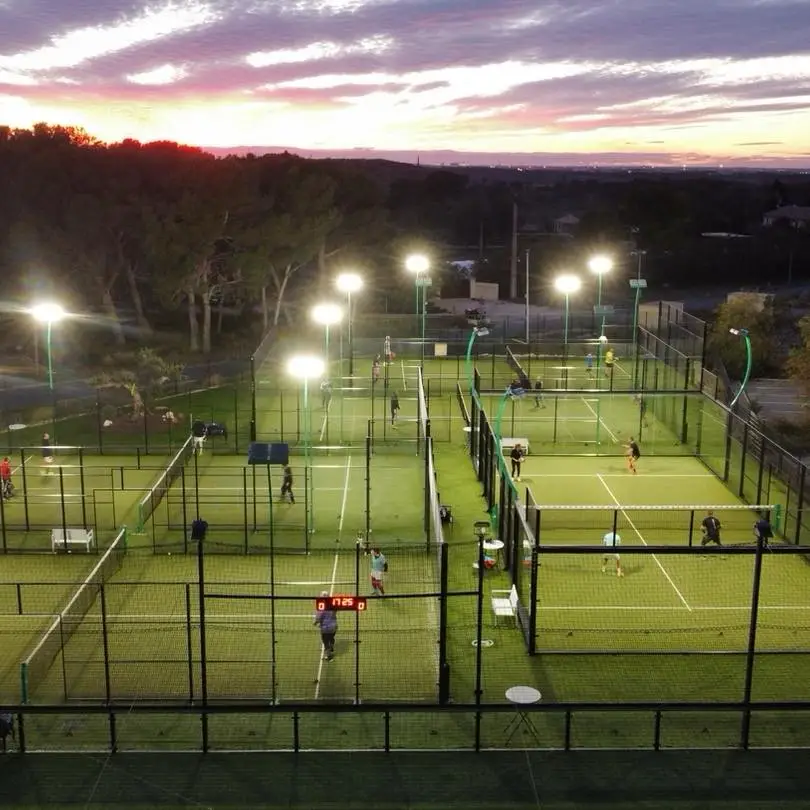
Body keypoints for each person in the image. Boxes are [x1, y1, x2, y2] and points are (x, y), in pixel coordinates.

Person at [313, 592, 338, 661]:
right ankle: (331, 647)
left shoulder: (321, 607)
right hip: (334, 627)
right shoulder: (333, 605)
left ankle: (329, 657)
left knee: (326, 642)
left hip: (325, 629)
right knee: (331, 637)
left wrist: (315, 623)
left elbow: (318, 618)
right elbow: (335, 611)